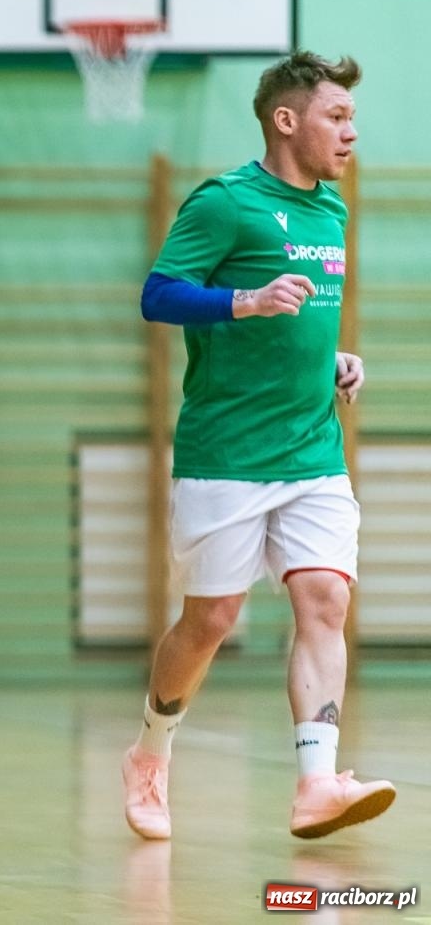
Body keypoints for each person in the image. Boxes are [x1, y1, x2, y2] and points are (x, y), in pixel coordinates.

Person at [124, 51, 394, 841]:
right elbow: (158, 294)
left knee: (326, 599)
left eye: (351, 118)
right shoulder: (227, 203)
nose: (350, 132)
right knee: (211, 619)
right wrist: (245, 299)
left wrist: (332, 360)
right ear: (287, 120)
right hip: (227, 453)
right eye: (335, 117)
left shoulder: (332, 213)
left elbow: (306, 319)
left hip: (312, 449)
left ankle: (317, 782)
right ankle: (150, 750)